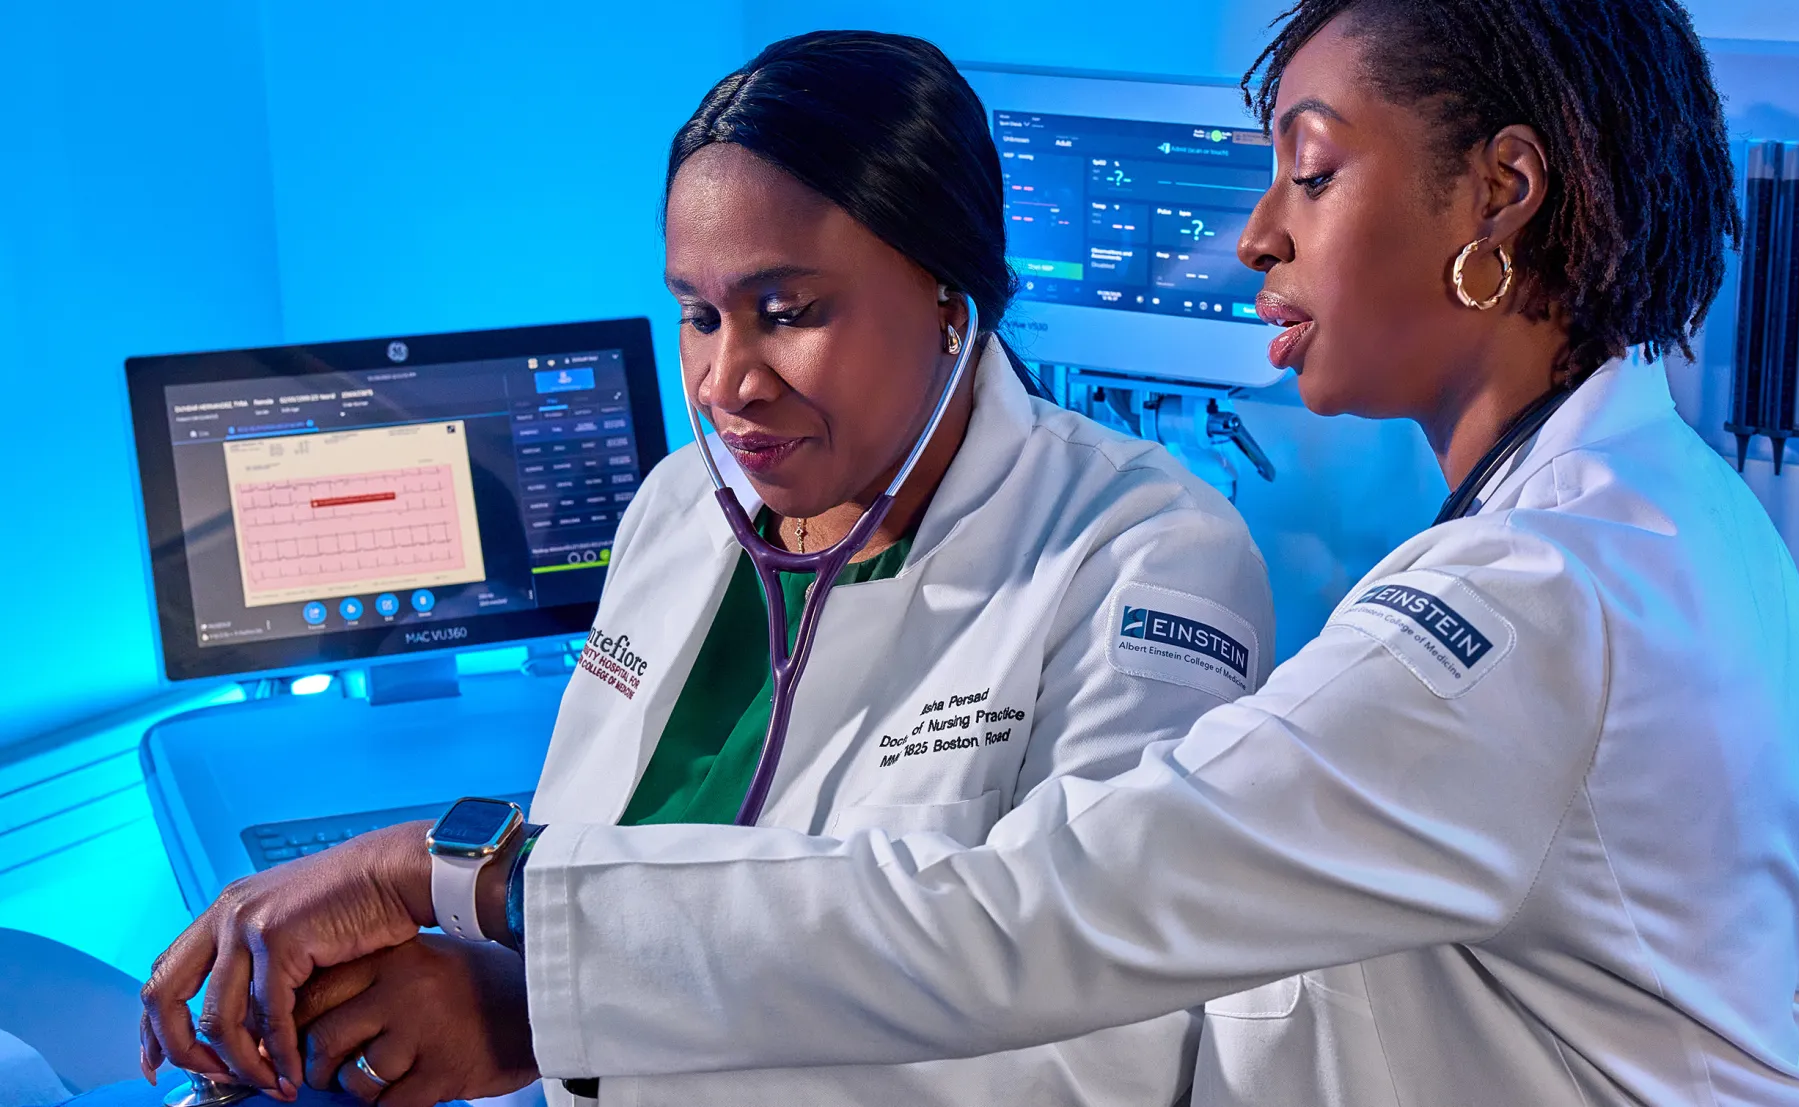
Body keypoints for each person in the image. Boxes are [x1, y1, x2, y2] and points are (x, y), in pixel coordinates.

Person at [142, 2, 1799, 1105]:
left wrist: (477, 895)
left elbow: (1041, 952)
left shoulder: (1510, 591)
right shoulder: (1647, 524)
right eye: (699, 315)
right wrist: (523, 994)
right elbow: (1785, 941)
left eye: (1310, 176)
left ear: (1499, 197)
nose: (1253, 232)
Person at [136, 30, 1274, 1107]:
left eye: (787, 313)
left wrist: (547, 1007)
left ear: (950, 299)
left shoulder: (1141, 554)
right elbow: (638, 855)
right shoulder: (684, 507)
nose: (730, 381)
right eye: (697, 316)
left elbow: (1095, 1055)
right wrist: (504, 991)